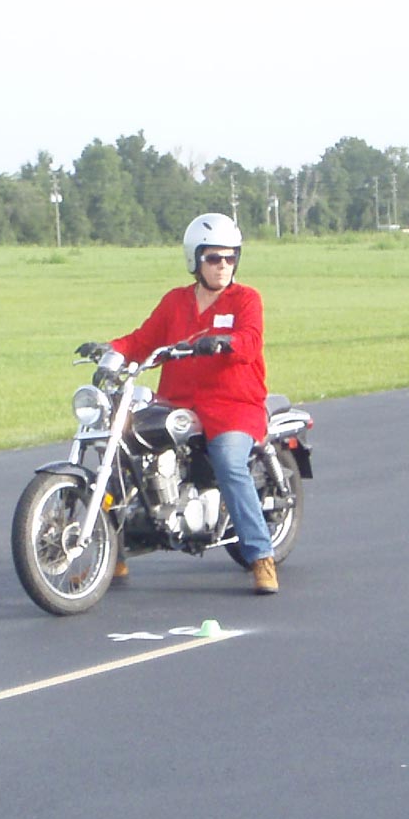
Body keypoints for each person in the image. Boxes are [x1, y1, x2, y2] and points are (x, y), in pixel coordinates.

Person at [78, 212, 279, 594]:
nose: (223, 265)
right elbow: (142, 341)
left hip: (233, 405)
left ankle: (260, 557)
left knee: (229, 462)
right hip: (178, 403)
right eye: (213, 257)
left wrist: (226, 342)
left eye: (230, 257)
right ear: (195, 259)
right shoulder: (176, 301)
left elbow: (251, 339)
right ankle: (112, 556)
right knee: (121, 453)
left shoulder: (246, 299)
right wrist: (110, 350)